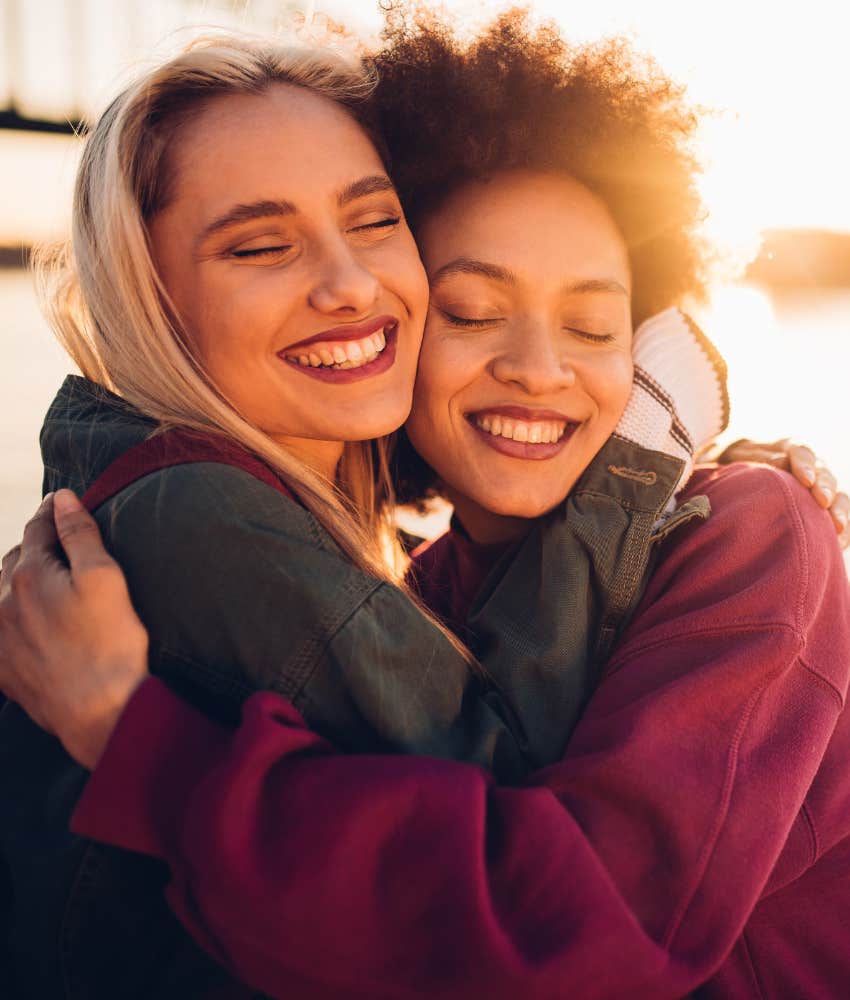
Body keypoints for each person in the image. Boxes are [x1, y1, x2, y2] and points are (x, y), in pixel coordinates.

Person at [2, 10, 850, 1000]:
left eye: (590, 324)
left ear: (645, 345)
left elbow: (575, 937)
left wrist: (136, 744)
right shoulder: (397, 582)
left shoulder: (749, 532)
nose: (536, 369)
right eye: (472, 311)